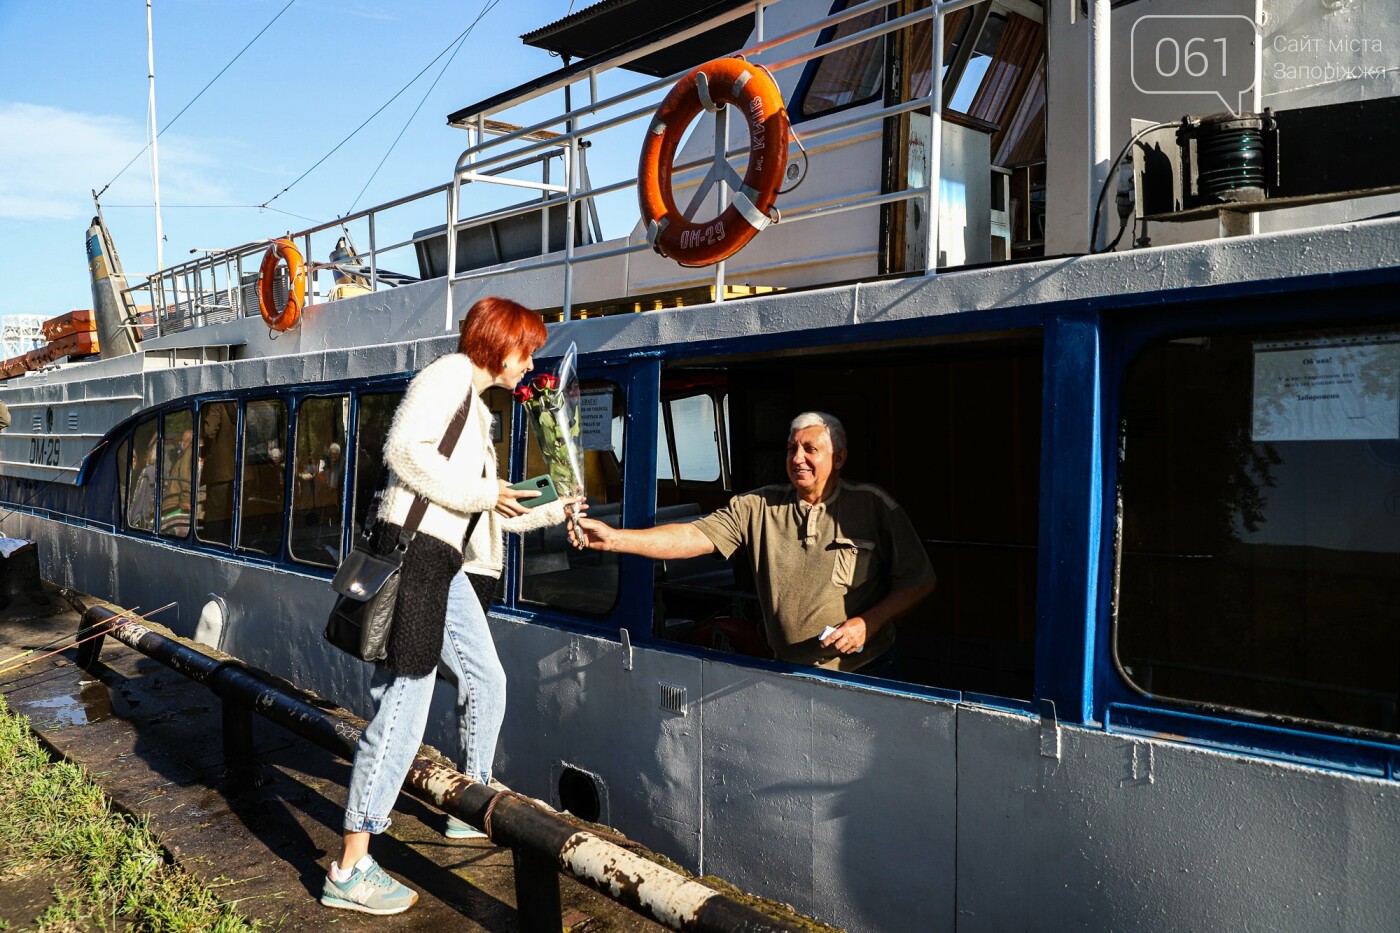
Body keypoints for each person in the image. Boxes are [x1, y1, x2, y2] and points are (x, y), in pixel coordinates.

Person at [323, 296, 580, 916]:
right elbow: (405, 452)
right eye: (529, 349)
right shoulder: (447, 376)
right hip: (416, 559)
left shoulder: (477, 404)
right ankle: (350, 866)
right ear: (502, 343)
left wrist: (557, 509)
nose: (531, 362)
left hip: (446, 565)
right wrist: (486, 490)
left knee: (486, 677)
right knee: (403, 710)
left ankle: (470, 805)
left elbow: (490, 508)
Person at [570, 411, 936, 673]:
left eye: (811, 449)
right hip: (787, 668)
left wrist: (867, 623)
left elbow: (919, 581)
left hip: (868, 667)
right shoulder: (758, 506)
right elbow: (692, 535)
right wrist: (615, 539)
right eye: (792, 448)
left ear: (838, 458)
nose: (798, 459)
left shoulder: (873, 505)